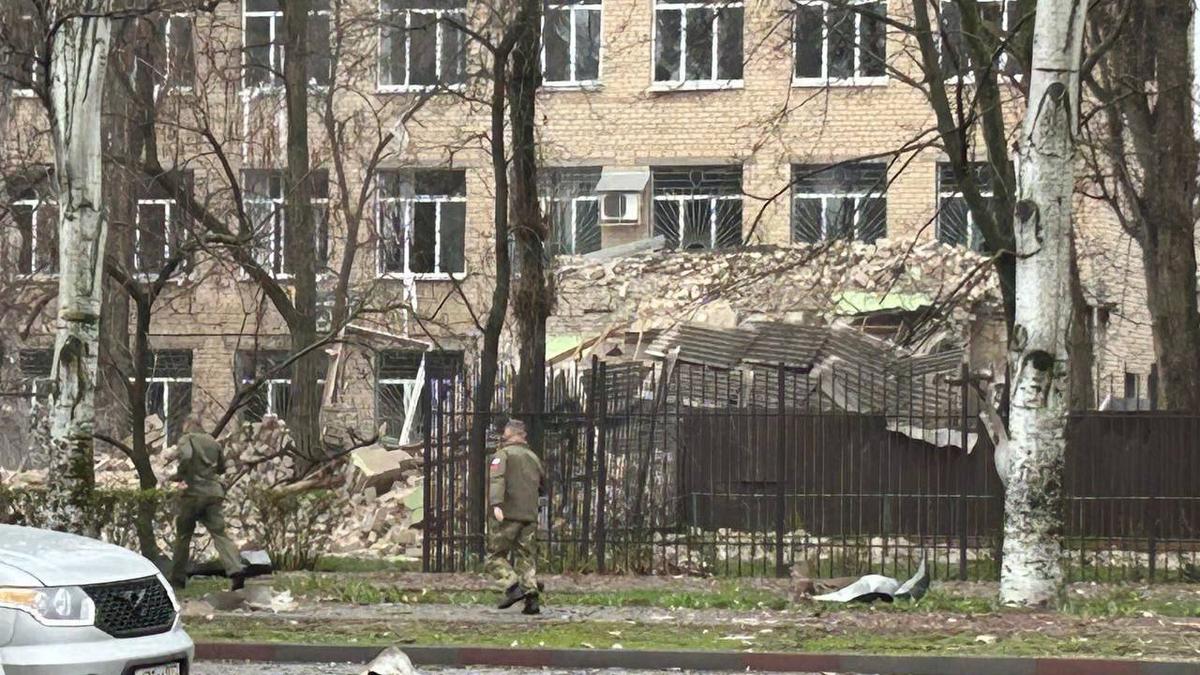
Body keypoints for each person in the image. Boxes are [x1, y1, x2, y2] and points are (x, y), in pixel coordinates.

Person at [168, 413, 246, 591]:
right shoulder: (213, 442)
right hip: (213, 493)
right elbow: (222, 467)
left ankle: (177, 579)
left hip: (193, 494)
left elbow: (186, 456)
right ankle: (235, 569)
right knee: (220, 534)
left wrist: (180, 474)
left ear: (187, 424)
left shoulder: (187, 439)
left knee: (183, 536)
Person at [484, 419, 545, 614]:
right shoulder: (533, 457)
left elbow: (497, 479)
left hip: (508, 513)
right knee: (526, 556)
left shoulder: (503, 456)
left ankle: (512, 587)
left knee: (494, 557)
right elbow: (542, 484)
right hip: (529, 515)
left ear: (508, 434)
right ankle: (532, 598)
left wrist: (496, 504)